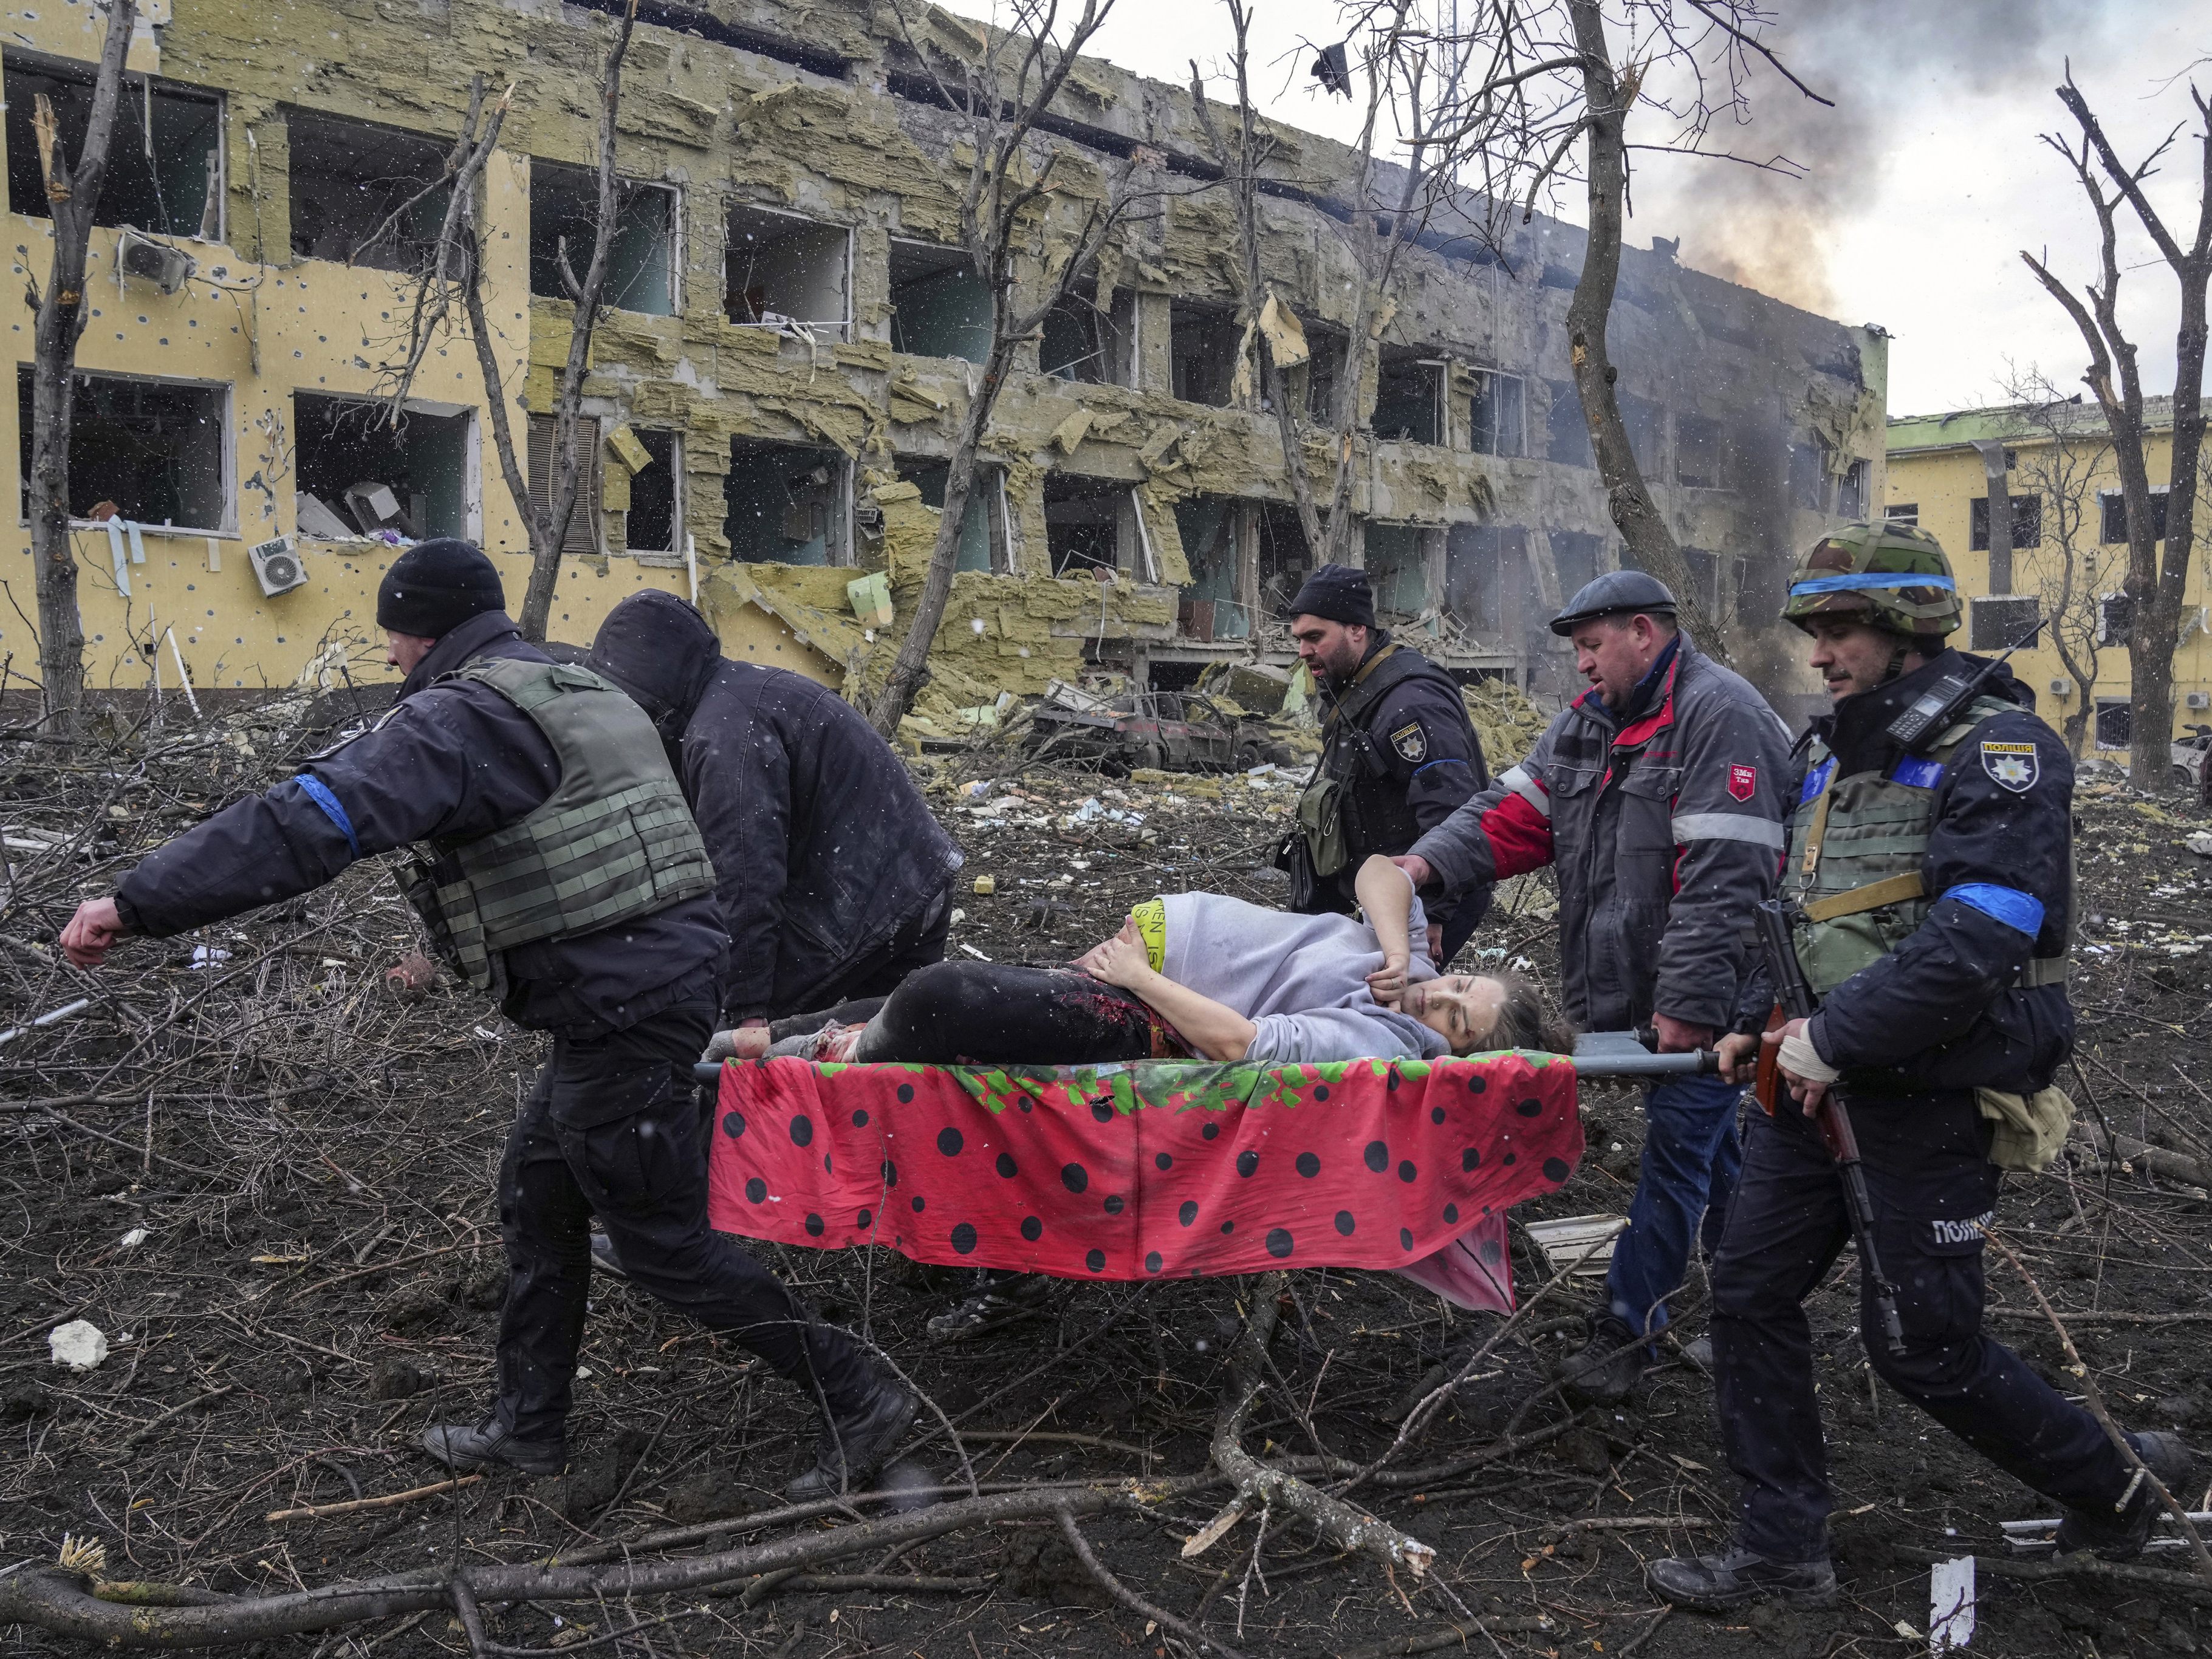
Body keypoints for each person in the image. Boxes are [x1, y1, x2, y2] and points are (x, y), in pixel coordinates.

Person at [57, 542, 916, 1503]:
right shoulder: (565, 679)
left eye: (392, 631)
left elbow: (308, 821)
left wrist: (136, 903)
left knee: (658, 1238)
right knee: (538, 1192)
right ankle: (527, 1426)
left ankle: (860, 1392)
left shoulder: (462, 718)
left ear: (421, 628)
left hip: (625, 1003)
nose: (387, 654)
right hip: (647, 986)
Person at [1649, 522, 2190, 1612]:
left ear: (1907, 629)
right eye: (1816, 629)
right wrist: (1762, 1027)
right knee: (1748, 1291)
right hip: (1807, 1092)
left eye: (1841, 627)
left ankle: (2125, 1492)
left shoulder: (2000, 751)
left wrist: (1834, 1040)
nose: (1820, 650)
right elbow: (1807, 925)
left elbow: (1983, 930)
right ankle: (1780, 1554)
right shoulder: (1828, 756)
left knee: (1923, 1350)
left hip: (1928, 1099)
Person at [1394, 569, 1790, 1402]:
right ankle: (1754, 1298)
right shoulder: (1587, 726)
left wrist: (1687, 1006)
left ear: (1643, 632)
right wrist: (1424, 864)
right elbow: (1510, 814)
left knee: (1681, 1146)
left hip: (1713, 998)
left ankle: (1627, 1327)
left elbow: (1728, 880)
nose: (1580, 664)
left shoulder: (1722, 717)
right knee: (1712, 1146)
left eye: (1591, 646)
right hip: (1638, 991)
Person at [728, 855, 1572, 1068]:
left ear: (1454, 1054)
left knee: (934, 995)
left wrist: (1139, 978)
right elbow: (1382, 871)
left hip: (1150, 1007)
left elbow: (1244, 1042)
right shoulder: (1409, 969)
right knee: (920, 995)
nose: (1439, 1001)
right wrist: (1400, 948)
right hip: (1142, 960)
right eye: (1459, 986)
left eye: (1456, 1020)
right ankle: (752, 1037)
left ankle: (806, 1057)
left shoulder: (1386, 1044)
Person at [586, 590, 963, 1041]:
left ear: (649, 690)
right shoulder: (735, 696)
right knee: (890, 1055)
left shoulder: (724, 733)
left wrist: (745, 1010)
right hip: (910, 882)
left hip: (869, 902)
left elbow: (745, 872)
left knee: (720, 1042)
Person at [1280, 564, 1491, 966]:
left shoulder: (1409, 704)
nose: (1303, 651)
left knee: (1397, 1009)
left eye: (1314, 637)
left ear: (1357, 629)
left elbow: (1451, 813)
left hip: (1425, 897)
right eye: (1299, 639)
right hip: (1384, 892)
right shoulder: (1357, 687)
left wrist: (1432, 911)